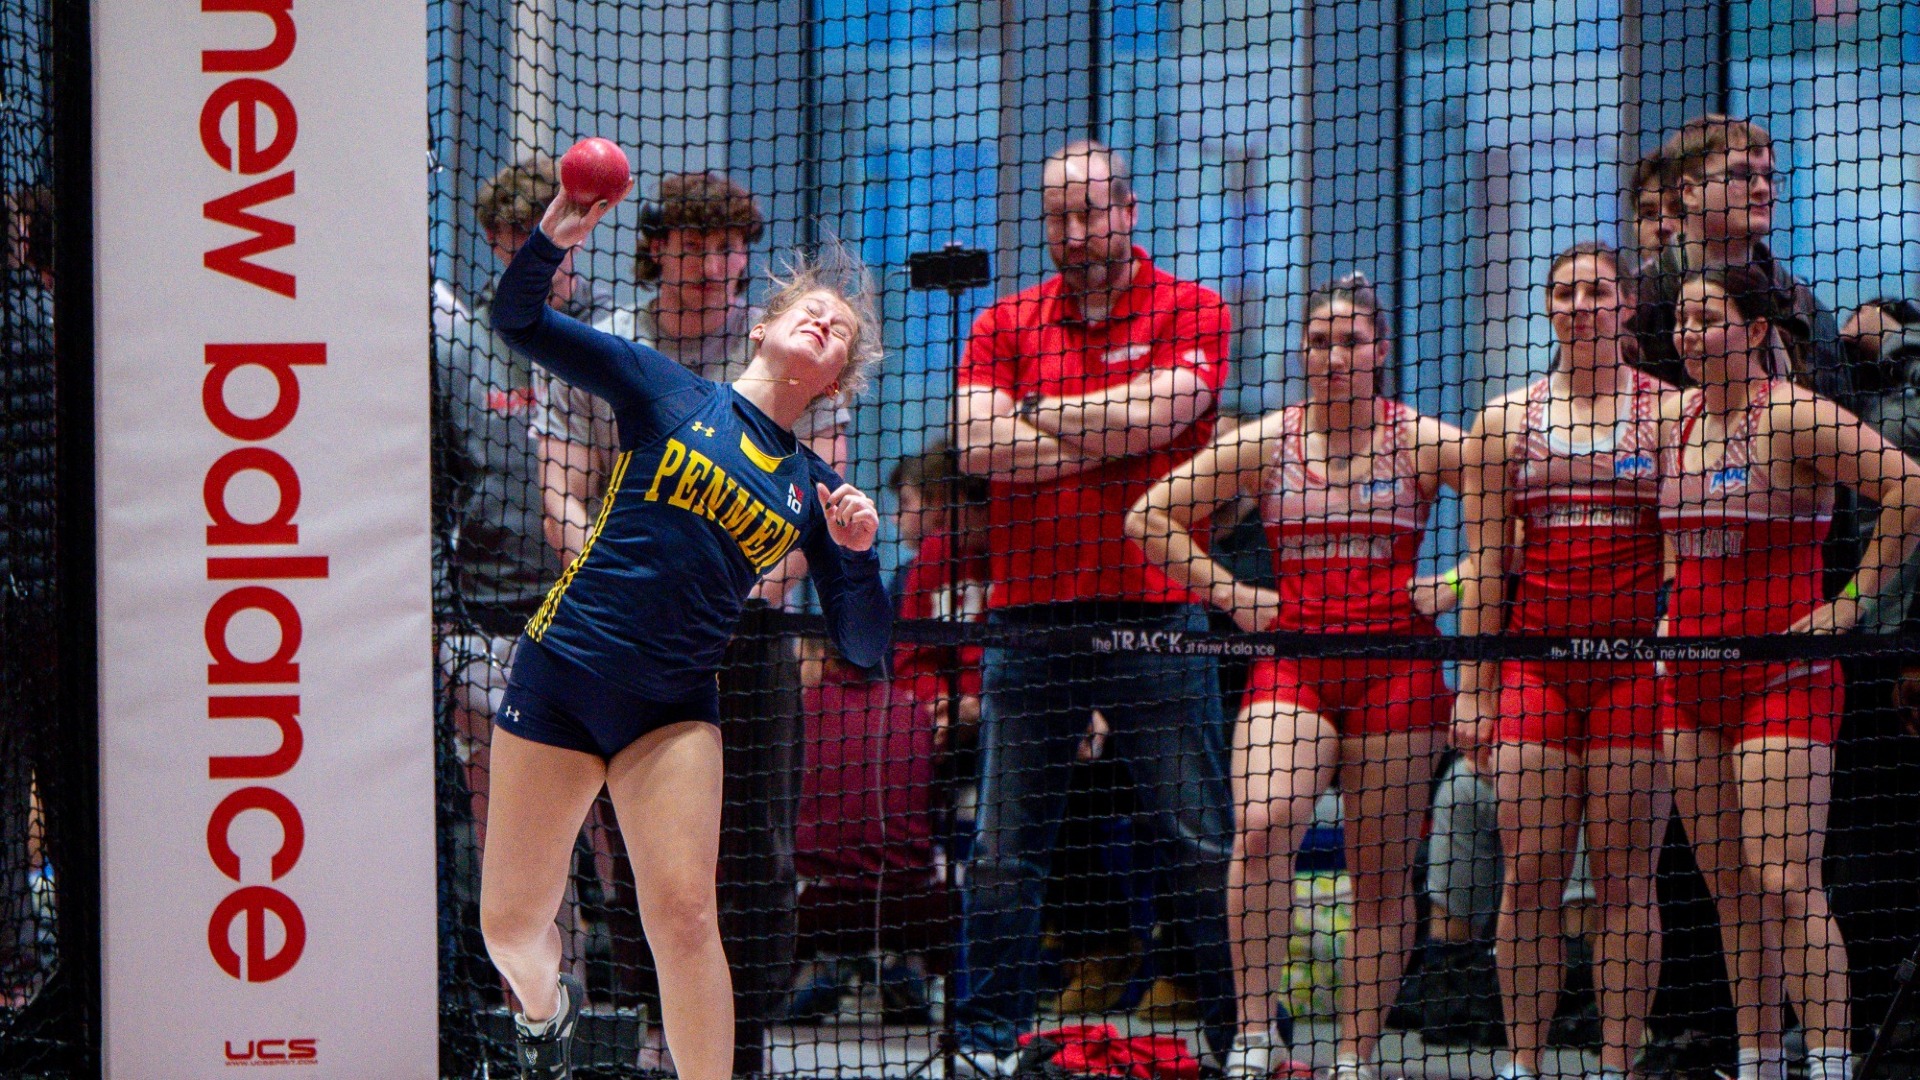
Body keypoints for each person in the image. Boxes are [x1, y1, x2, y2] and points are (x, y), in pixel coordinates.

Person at [480, 176, 893, 1080]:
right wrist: (554, 236)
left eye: (843, 333)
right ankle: (548, 1016)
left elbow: (864, 646)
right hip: (560, 676)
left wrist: (857, 554)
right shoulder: (665, 388)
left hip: (671, 711)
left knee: (687, 918)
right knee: (510, 927)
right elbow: (519, 323)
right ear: (761, 328)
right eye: (811, 311)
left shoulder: (814, 487)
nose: (826, 324)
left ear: (837, 377)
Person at [950, 139, 1238, 1075]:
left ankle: (1242, 1037)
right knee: (1002, 851)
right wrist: (1114, 430)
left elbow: (1168, 413)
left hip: (1156, 612)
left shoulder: (1195, 307)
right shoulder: (1002, 319)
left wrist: (1035, 412)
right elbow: (974, 448)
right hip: (1029, 620)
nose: (1075, 235)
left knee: (1196, 840)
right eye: (1058, 218)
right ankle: (987, 1042)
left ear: (1129, 208)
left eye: (1091, 213)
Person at [1131, 274, 1463, 1080]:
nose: (1334, 356)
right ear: (1302, 354)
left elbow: (1515, 519)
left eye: (1351, 342)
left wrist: (1451, 586)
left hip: (1397, 671)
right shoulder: (1266, 441)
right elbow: (1147, 516)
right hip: (1295, 662)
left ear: (1381, 352)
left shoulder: (1424, 440)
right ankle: (1252, 1036)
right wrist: (1235, 595)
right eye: (1319, 342)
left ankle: (1354, 1056)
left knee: (1381, 873)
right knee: (1264, 826)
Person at [1659, 264, 1920, 1080]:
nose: (1690, 334)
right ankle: (1760, 1060)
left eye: (1708, 318)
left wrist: (1852, 604)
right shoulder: (1673, 418)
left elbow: (1910, 487)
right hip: (1688, 678)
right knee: (1730, 890)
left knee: (1784, 883)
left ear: (1758, 328)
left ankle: (1833, 1063)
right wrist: (1668, 602)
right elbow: (1676, 533)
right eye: (1682, 322)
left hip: (1784, 677)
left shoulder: (1798, 416)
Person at [1455, 243, 1672, 1080]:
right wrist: (1473, 687)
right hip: (1535, 674)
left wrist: (1670, 653)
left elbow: (1686, 556)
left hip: (1630, 672)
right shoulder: (1505, 423)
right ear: (1548, 309)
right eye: (1564, 292)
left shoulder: (1668, 415)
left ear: (1624, 308)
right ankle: (1523, 1062)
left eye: (1597, 291)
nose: (1580, 304)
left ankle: (1618, 1063)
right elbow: (1484, 566)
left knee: (1626, 880)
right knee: (1533, 871)